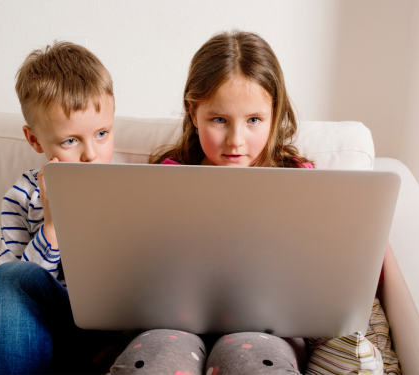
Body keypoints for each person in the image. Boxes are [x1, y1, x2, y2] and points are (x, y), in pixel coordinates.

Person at [109, 30, 313, 375]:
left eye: (254, 120)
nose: (236, 141)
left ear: (274, 114)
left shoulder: (300, 179)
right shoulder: (165, 178)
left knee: (254, 363)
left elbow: (341, 270)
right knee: (155, 361)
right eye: (219, 120)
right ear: (193, 111)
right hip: (173, 327)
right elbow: (134, 266)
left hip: (268, 331)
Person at [0, 42, 119, 374]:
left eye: (102, 134)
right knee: (7, 278)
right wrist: (51, 228)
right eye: (70, 141)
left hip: (94, 344)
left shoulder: (129, 190)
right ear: (34, 139)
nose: (91, 154)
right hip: (25, 339)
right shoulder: (22, 196)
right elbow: (7, 294)